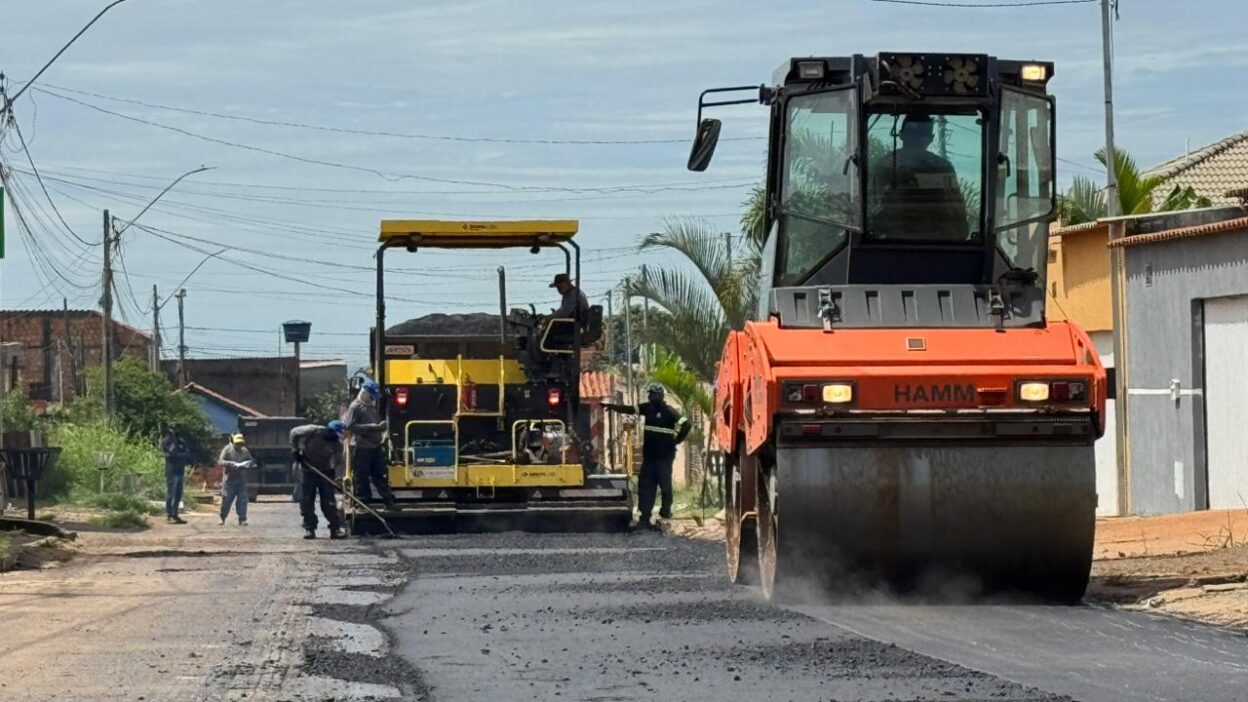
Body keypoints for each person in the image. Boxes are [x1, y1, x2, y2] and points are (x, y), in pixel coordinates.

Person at [603, 383, 691, 530]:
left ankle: (665, 513)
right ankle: (645, 517)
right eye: (650, 394)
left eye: (653, 394)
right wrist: (613, 407)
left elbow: (686, 425)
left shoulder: (670, 411)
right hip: (649, 458)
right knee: (646, 486)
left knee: (665, 485)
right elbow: (631, 409)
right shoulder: (647, 408)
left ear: (660, 396)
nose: (651, 397)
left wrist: (676, 441)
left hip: (664, 458)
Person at [870, 113, 969, 241]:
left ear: (901, 135)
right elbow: (958, 212)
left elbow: (871, 207)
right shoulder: (942, 167)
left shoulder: (885, 165)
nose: (917, 138)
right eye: (913, 133)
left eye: (920, 134)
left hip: (892, 243)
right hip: (934, 244)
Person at [291, 420, 347, 540]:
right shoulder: (312, 430)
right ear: (328, 430)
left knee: (329, 502)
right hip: (308, 469)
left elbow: (339, 462)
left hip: (326, 471)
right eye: (334, 434)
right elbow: (293, 432)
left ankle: (335, 529)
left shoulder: (337, 443)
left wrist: (338, 479)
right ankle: (309, 529)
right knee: (306, 501)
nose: (335, 437)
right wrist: (295, 451)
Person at [345, 379, 396, 510]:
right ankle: (364, 502)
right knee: (361, 476)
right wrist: (373, 427)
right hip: (361, 447)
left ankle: (389, 501)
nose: (373, 399)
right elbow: (350, 426)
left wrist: (381, 428)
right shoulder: (355, 407)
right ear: (365, 393)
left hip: (374, 446)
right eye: (372, 396)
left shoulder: (370, 408)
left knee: (379, 475)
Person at [218, 433, 253, 526]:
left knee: (243, 500)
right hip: (229, 480)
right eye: (237, 443)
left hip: (241, 479)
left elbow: (251, 461)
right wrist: (231, 463)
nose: (239, 445)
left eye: (240, 443)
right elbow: (221, 461)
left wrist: (246, 464)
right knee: (226, 500)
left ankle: (242, 519)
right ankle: (222, 517)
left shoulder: (245, 451)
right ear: (233, 442)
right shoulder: (227, 449)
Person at [160, 426, 189, 525]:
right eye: (173, 429)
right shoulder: (167, 441)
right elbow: (171, 454)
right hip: (171, 471)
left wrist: (179, 454)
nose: (175, 430)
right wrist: (179, 453)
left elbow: (186, 453)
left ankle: (175, 515)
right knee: (171, 494)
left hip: (180, 470)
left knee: (178, 495)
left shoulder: (181, 441)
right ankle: (169, 515)